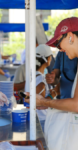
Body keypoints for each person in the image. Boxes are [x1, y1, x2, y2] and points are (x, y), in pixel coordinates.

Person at [25, 17, 78, 150]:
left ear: (70, 36)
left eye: (59, 43)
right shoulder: (64, 56)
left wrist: (44, 102)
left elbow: (76, 105)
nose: (60, 49)